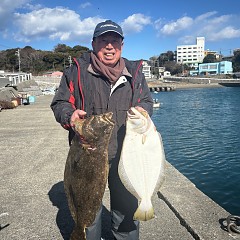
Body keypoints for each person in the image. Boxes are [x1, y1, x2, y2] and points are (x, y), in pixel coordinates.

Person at [51, 20, 153, 240]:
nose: (109, 46)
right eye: (103, 41)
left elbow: (146, 101)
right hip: (86, 155)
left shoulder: (135, 73)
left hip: (125, 155)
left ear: (122, 45)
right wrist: (70, 116)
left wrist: (143, 112)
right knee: (89, 214)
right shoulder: (76, 71)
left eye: (114, 41)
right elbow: (60, 103)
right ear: (93, 43)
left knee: (126, 216)